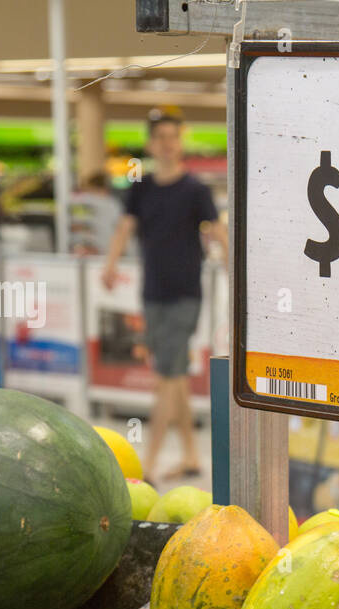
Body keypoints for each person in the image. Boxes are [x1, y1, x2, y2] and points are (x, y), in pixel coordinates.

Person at [102, 110, 218, 484]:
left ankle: (148, 465)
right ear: (152, 144)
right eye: (161, 138)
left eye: (174, 137)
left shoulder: (196, 190)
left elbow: (216, 231)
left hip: (185, 294)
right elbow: (125, 227)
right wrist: (110, 263)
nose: (168, 144)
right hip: (152, 294)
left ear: (179, 142)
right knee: (175, 376)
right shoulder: (141, 188)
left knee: (165, 377)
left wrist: (238, 271)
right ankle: (189, 456)